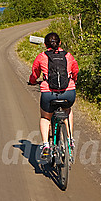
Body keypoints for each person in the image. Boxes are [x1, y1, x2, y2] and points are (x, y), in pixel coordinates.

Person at [28, 32, 79, 162]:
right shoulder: (68, 56)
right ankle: (70, 140)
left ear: (45, 45)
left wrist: (33, 81)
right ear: (60, 43)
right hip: (68, 92)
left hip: (48, 93)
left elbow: (35, 74)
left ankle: (45, 145)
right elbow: (75, 71)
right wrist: (73, 80)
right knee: (67, 111)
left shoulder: (41, 57)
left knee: (45, 117)